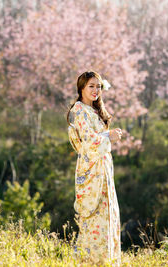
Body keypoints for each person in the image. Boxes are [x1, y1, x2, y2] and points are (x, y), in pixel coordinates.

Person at [67, 71, 122, 266]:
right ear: (81, 88)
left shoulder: (94, 111)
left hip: (103, 170)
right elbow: (89, 141)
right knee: (94, 218)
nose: (95, 90)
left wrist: (108, 134)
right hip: (92, 172)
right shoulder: (80, 110)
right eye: (91, 86)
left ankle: (106, 261)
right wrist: (109, 136)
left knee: (107, 216)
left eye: (98, 86)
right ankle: (91, 262)